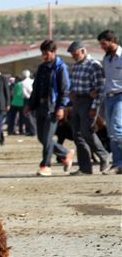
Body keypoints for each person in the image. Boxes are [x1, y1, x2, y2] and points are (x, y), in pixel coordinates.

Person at [25, 40, 74, 177]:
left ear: (54, 52)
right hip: (40, 106)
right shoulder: (41, 68)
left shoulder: (60, 67)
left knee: (47, 138)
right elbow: (35, 89)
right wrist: (29, 105)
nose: (44, 56)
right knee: (42, 137)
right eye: (43, 54)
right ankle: (65, 154)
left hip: (53, 107)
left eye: (46, 54)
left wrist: (61, 107)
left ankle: (46, 165)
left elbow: (65, 90)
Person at [66, 40, 109, 175]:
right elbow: (73, 84)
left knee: (86, 132)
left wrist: (94, 107)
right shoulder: (76, 66)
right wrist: (71, 94)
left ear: (83, 51)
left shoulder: (94, 65)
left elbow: (100, 88)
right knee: (77, 135)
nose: (73, 56)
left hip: (88, 101)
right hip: (77, 102)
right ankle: (85, 167)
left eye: (75, 53)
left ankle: (104, 155)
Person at [98, 30, 122, 175]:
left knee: (117, 128)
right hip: (109, 97)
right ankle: (118, 164)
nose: (102, 46)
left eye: (104, 43)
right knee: (111, 132)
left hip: (121, 96)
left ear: (112, 40)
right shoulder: (106, 59)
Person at [19, 70, 36, 136]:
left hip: (27, 99)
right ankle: (32, 130)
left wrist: (29, 98)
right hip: (33, 99)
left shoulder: (23, 82)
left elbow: (25, 93)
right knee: (33, 116)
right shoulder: (32, 81)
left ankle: (32, 131)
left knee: (28, 116)